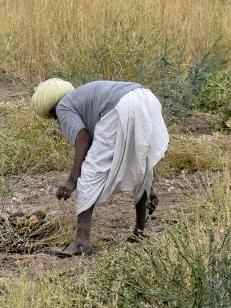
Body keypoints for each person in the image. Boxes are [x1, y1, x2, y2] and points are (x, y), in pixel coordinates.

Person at [31, 78, 169, 257]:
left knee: (89, 175)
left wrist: (72, 180)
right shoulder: (83, 96)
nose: (57, 120)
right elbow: (139, 154)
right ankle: (140, 231)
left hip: (122, 105)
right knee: (140, 162)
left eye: (53, 117)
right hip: (147, 98)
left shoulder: (63, 105)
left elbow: (83, 138)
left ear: (51, 108)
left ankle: (81, 243)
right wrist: (149, 187)